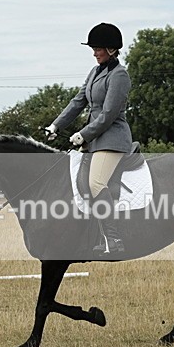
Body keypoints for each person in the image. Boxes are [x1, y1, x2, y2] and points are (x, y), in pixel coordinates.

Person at [44, 22, 132, 257]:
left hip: (113, 139)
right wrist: (56, 125)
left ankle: (113, 239)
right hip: (94, 141)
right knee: (75, 181)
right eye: (93, 48)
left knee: (95, 184)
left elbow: (108, 115)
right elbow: (78, 101)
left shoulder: (119, 75)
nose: (94, 52)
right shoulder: (95, 72)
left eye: (97, 48)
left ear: (111, 50)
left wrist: (83, 134)